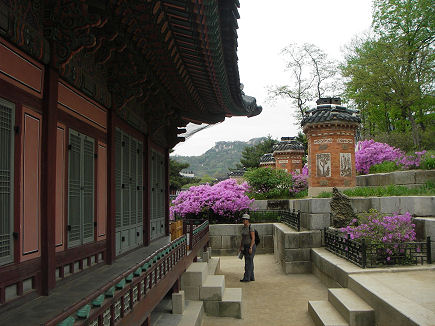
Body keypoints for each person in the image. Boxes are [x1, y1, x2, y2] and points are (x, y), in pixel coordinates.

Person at [239, 213, 256, 282]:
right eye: (243, 219)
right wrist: (241, 247)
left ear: (248, 220)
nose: (244, 220)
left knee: (248, 262)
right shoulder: (243, 228)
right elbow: (242, 238)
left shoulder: (250, 227)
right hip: (245, 246)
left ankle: (246, 278)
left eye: (245, 219)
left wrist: (251, 247)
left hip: (250, 246)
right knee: (249, 262)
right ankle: (251, 277)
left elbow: (253, 238)